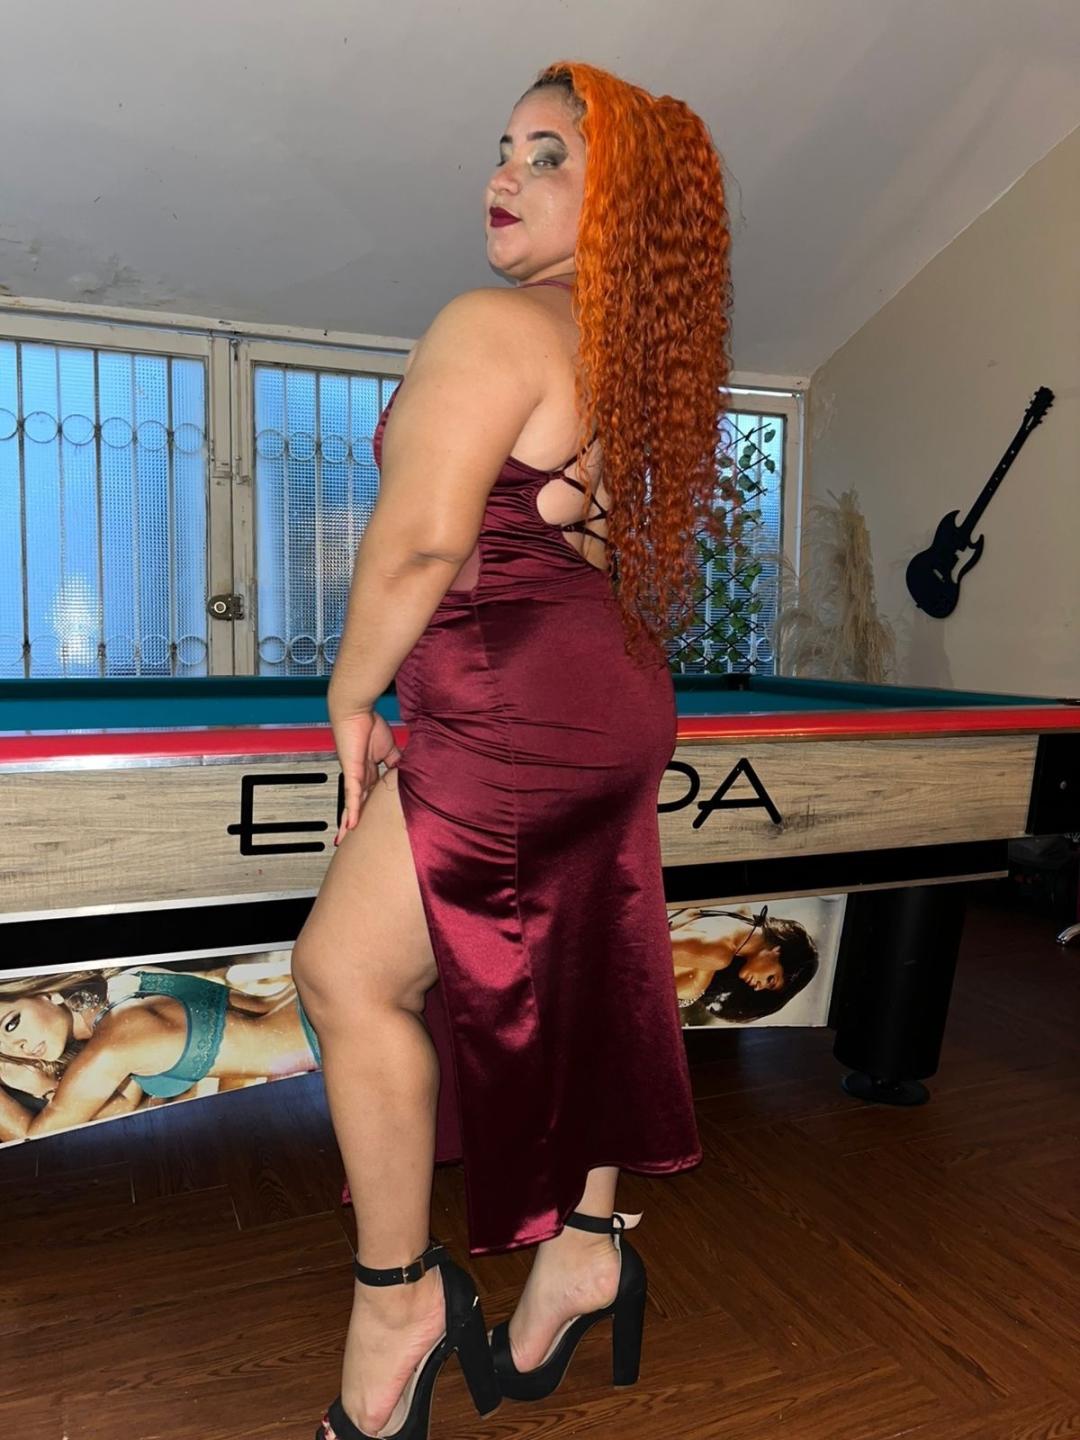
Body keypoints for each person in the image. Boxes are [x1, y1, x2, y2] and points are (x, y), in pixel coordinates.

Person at [290, 58, 734, 1440]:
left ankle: (399, 1303)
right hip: (602, 694)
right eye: (506, 147)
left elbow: (422, 545)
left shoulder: (491, 324)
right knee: (586, 961)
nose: (505, 173)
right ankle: (584, 1251)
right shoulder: (624, 356)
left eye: (550, 157)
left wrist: (352, 694)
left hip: (514, 698)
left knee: (345, 973)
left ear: (619, 205)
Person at [0, 966, 320, 1141]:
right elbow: (122, 1103)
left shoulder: (113, 1044)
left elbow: (31, 1139)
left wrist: (45, 1092)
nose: (17, 1047)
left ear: (45, 993)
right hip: (311, 1001)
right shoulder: (122, 982)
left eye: (11, 1024)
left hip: (324, 1032)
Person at [671, 905, 822, 1023]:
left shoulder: (737, 913)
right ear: (777, 951)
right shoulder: (720, 953)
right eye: (771, 979)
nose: (758, 987)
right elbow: (656, 951)